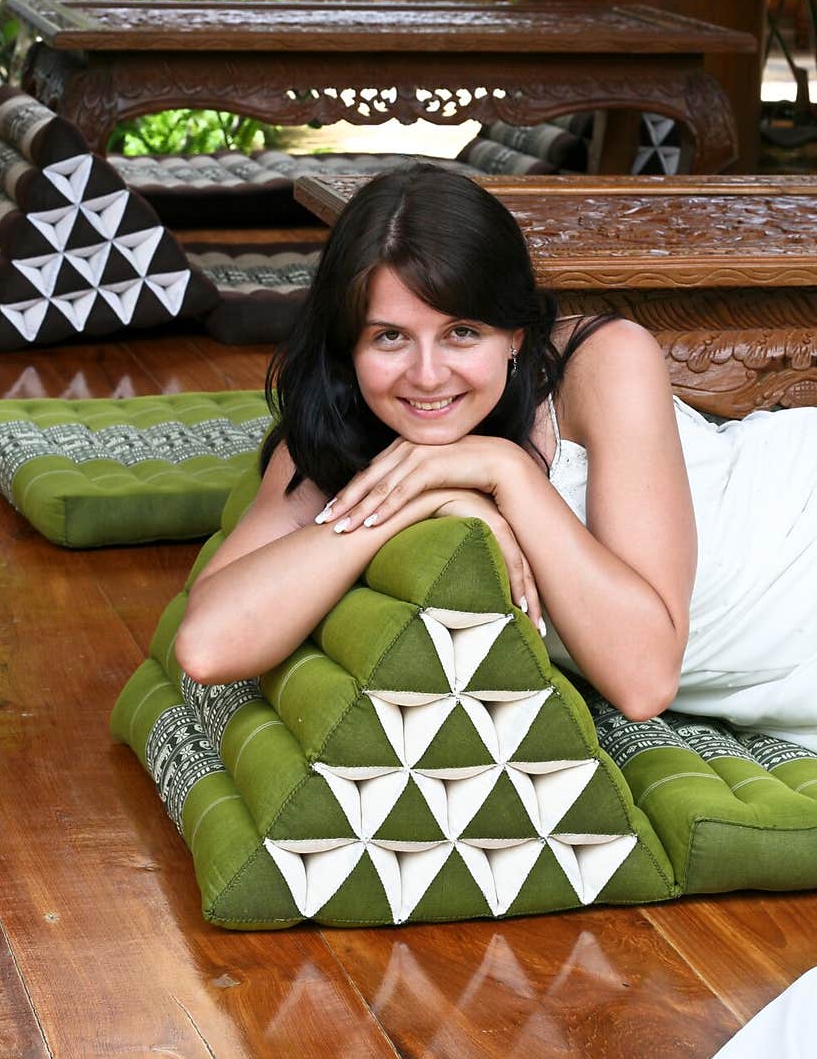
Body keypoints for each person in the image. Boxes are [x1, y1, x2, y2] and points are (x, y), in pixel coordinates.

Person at [175, 162, 817, 751]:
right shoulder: (338, 430)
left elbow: (643, 678)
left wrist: (505, 473)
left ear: (514, 334)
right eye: (390, 336)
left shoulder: (602, 362)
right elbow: (207, 646)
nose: (427, 375)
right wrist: (419, 495)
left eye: (462, 332)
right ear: (349, 344)